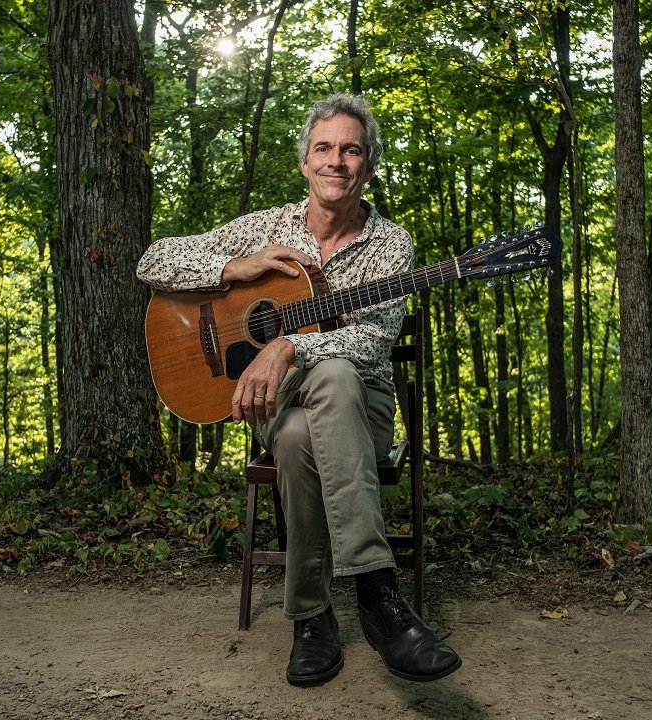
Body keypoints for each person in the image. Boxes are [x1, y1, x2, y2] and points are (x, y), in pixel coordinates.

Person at [137, 93, 461, 686]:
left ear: (367, 164)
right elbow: (153, 261)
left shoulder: (391, 245)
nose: (336, 160)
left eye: (351, 150)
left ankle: (311, 618)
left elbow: (373, 343)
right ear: (306, 163)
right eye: (324, 148)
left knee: (311, 410)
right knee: (299, 408)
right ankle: (378, 597)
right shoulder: (269, 227)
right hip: (273, 397)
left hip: (363, 406)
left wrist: (287, 346)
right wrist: (235, 268)